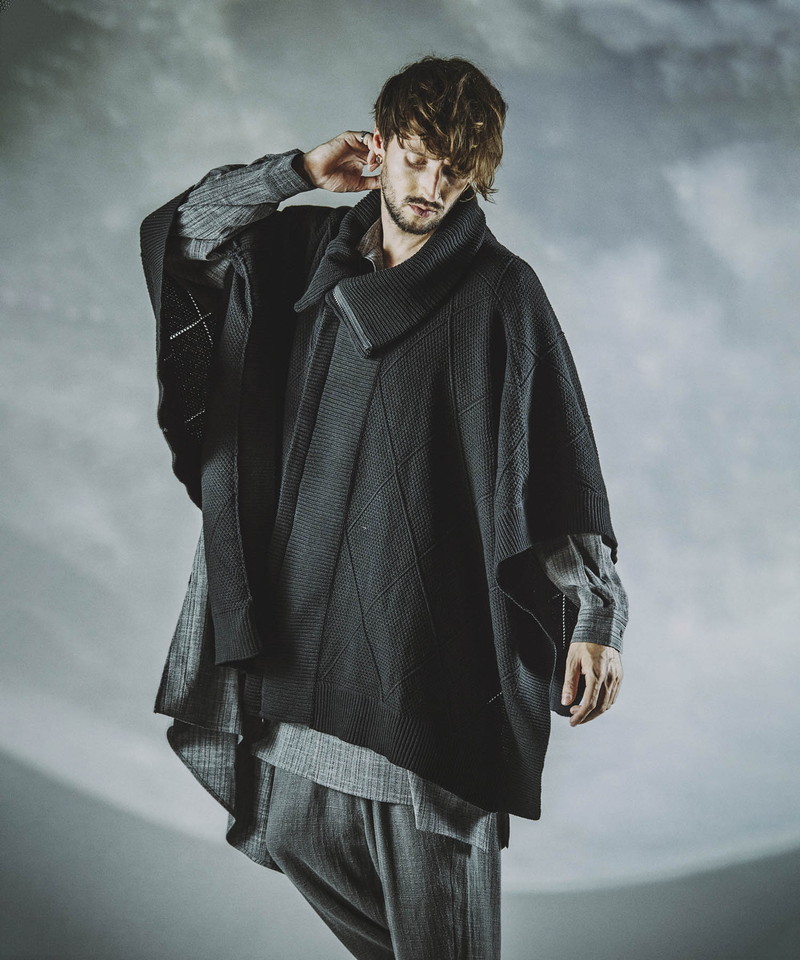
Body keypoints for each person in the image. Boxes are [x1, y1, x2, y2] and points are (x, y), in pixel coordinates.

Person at [140, 55, 628, 960]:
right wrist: (295, 172)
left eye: (454, 170)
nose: (430, 186)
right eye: (415, 157)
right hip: (296, 655)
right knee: (296, 839)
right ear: (380, 143)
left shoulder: (499, 294)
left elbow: (549, 464)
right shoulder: (302, 255)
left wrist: (595, 614)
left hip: (422, 672)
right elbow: (187, 234)